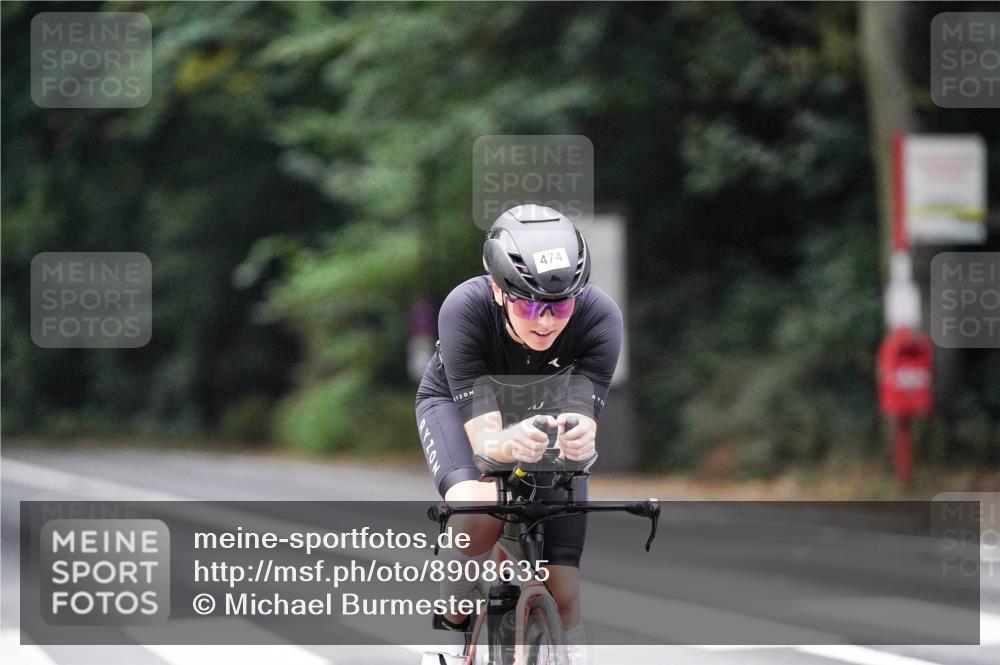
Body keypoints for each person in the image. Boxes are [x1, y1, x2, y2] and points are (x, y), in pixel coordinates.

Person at [415, 204, 623, 664]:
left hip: (543, 418)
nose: (545, 321)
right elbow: (488, 442)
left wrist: (580, 440)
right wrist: (510, 443)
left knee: (563, 584)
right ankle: (453, 615)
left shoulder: (600, 317)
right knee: (477, 512)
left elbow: (584, 416)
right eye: (528, 304)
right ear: (497, 289)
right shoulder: (464, 308)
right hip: (459, 409)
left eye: (560, 305)